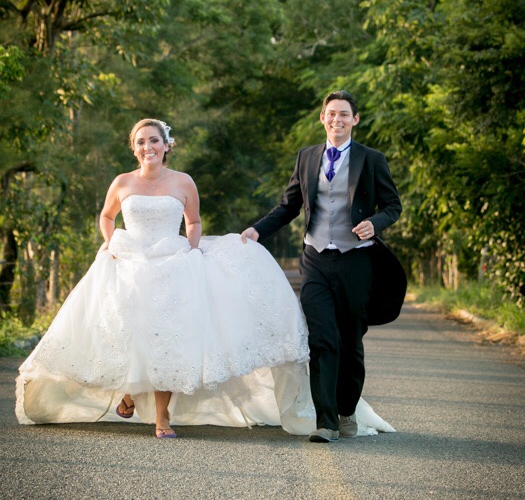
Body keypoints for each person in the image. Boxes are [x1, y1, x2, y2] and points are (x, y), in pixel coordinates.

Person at [16, 119, 315, 438]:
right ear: (134, 148)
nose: (148, 147)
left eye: (154, 140)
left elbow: (194, 221)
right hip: (129, 262)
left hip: (172, 263)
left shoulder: (184, 182)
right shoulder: (122, 182)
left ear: (167, 145)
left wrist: (193, 249)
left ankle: (162, 419)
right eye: (141, 142)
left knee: (166, 338)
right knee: (130, 332)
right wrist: (109, 241)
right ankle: (129, 393)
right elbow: (106, 216)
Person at [242, 91, 406, 443]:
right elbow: (289, 205)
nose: (337, 120)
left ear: (355, 120)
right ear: (322, 118)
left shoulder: (371, 159)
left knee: (350, 340)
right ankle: (326, 421)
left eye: (344, 115)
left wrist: (375, 223)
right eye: (331, 114)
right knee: (321, 339)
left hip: (357, 261)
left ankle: (347, 410)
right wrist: (258, 229)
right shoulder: (306, 157)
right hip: (315, 259)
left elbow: (393, 205)